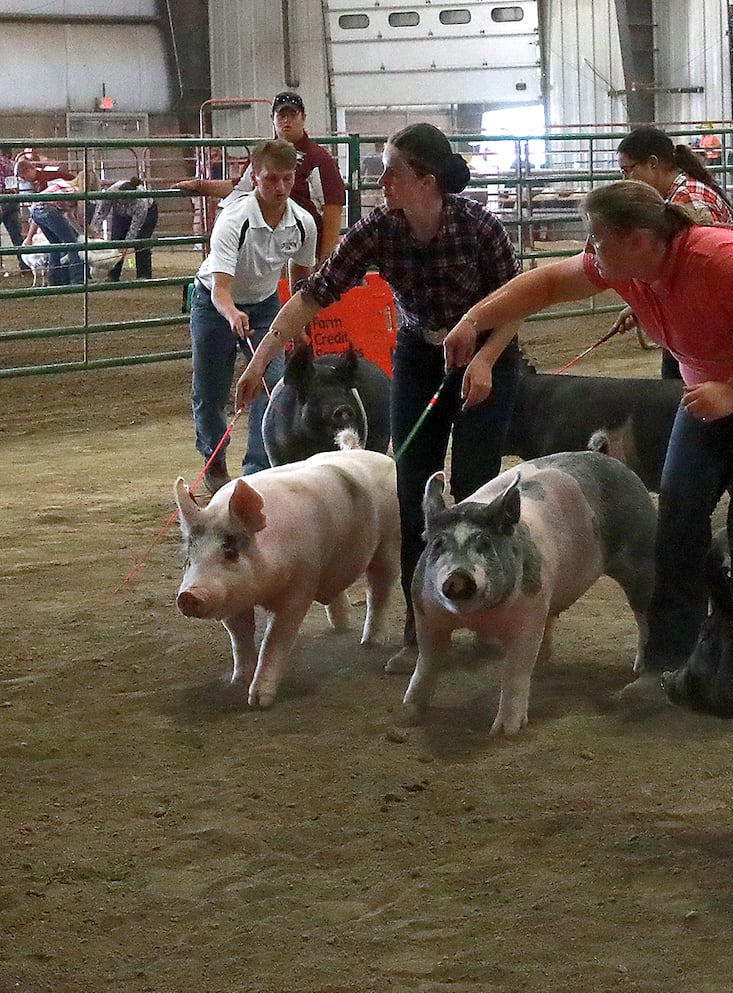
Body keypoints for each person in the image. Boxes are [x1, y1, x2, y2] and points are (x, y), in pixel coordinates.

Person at [448, 179, 733, 710]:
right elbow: (545, 285)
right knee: (679, 517)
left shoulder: (721, 260)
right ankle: (672, 661)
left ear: (639, 240)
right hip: (714, 386)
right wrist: (474, 320)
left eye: (597, 240)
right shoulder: (627, 265)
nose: (589, 252)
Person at [234, 123, 521, 673]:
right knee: (413, 486)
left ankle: (490, 613)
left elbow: (514, 302)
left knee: (479, 481)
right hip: (419, 352)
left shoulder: (480, 227)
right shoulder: (377, 230)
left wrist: (485, 359)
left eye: (392, 170)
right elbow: (312, 296)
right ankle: (423, 625)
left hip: (487, 353)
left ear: (426, 182)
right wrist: (257, 363)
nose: (381, 180)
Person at [189, 139, 318, 494]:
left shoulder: (304, 223)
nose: (280, 188)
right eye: (271, 179)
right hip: (214, 305)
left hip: (265, 305)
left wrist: (300, 328)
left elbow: (301, 282)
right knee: (211, 390)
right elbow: (219, 289)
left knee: (271, 383)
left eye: (287, 179)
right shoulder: (233, 220)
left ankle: (256, 471)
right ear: (254, 178)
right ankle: (214, 461)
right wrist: (230, 313)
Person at [613, 126, 733, 378]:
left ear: (652, 163)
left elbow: (700, 268)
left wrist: (649, 304)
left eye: (628, 171)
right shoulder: (681, 195)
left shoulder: (686, 200)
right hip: (705, 314)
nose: (627, 180)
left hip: (710, 319)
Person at [175, 91, 347, 262]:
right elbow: (241, 187)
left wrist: (326, 260)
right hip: (266, 247)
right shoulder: (265, 155)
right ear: (272, 118)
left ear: (303, 117)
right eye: (281, 115)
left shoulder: (319, 160)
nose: (286, 121)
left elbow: (332, 207)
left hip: (303, 245)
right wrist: (200, 185)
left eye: (292, 115)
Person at [98, 177, 159, 281]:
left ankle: (143, 275)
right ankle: (113, 275)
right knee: (116, 242)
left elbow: (136, 227)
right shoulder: (111, 192)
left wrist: (126, 244)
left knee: (141, 241)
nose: (122, 202)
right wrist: (95, 230)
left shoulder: (141, 202)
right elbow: (102, 212)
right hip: (120, 215)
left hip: (148, 214)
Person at [0, 145, 29, 277]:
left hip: (2, 199)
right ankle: (25, 266)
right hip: (12, 199)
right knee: (16, 235)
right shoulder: (12, 164)